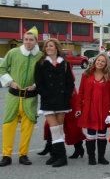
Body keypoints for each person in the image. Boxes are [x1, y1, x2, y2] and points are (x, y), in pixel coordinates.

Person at [0, 27, 42, 167]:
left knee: (27, 127)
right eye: (26, 39)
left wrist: (36, 85)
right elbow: (2, 68)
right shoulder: (13, 53)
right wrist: (10, 82)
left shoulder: (40, 56)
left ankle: (23, 155)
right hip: (13, 96)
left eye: (31, 40)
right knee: (8, 125)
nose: (28, 42)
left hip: (30, 98)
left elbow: (45, 76)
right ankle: (6, 155)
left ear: (36, 41)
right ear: (22, 40)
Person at [34, 38, 77, 167]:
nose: (48, 48)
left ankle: (56, 155)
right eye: (47, 46)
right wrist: (45, 94)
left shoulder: (64, 63)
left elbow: (70, 82)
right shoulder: (40, 63)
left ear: (56, 48)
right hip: (48, 101)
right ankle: (62, 156)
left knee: (58, 129)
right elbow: (38, 83)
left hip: (62, 101)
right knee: (54, 128)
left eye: (51, 46)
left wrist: (67, 95)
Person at [74, 54, 110, 165]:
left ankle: (101, 157)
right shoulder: (86, 74)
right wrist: (78, 107)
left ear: (106, 64)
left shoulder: (109, 76)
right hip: (89, 110)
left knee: (102, 134)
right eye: (98, 60)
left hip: (104, 110)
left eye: (103, 61)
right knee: (91, 134)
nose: (100, 63)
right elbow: (81, 93)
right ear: (95, 61)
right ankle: (91, 157)